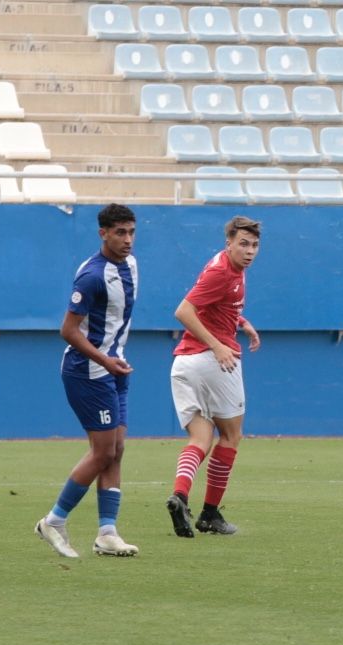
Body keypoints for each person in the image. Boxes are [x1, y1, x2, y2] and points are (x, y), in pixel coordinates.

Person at [35, 203, 141, 558]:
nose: (127, 240)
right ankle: (54, 520)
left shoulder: (132, 265)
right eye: (120, 233)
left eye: (131, 232)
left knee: (117, 450)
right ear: (103, 233)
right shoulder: (92, 276)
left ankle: (107, 533)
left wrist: (115, 359)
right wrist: (104, 360)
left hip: (114, 368)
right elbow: (67, 330)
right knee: (103, 452)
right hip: (88, 371)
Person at [165, 216, 262, 538]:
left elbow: (215, 305)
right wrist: (218, 345)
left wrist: (240, 321)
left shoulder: (228, 269)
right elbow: (183, 311)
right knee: (232, 436)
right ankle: (209, 514)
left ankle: (180, 496)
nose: (249, 251)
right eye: (243, 244)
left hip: (183, 364)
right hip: (212, 361)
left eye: (254, 245)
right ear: (229, 244)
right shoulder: (222, 271)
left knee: (200, 439)